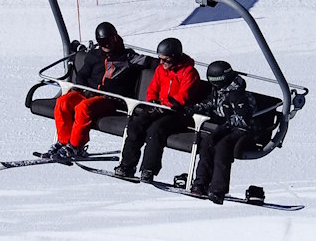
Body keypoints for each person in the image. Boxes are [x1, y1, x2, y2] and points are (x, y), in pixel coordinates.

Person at [46, 21, 149, 162]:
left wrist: (173, 60)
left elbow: (152, 62)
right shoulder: (94, 55)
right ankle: (64, 142)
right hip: (87, 93)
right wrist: (83, 89)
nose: (105, 45)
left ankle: (76, 146)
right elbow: (82, 75)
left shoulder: (128, 57)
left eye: (108, 40)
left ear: (115, 37)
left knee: (83, 108)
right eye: (101, 42)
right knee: (63, 102)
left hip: (109, 99)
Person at [114, 37, 200, 182]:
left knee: (156, 130)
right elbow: (153, 88)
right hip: (159, 108)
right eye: (160, 59)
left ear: (175, 57)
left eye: (165, 60)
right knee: (136, 125)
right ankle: (127, 165)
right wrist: (153, 102)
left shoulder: (189, 72)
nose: (162, 63)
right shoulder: (161, 69)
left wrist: (165, 105)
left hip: (178, 113)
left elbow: (183, 97)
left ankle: (148, 169)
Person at [187, 60, 257, 205]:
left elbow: (244, 118)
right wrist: (193, 108)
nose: (214, 86)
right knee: (207, 142)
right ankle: (200, 183)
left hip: (244, 131)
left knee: (222, 147)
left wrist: (226, 123)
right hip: (227, 128)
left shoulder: (238, 94)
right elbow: (211, 103)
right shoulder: (220, 90)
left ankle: (218, 190)